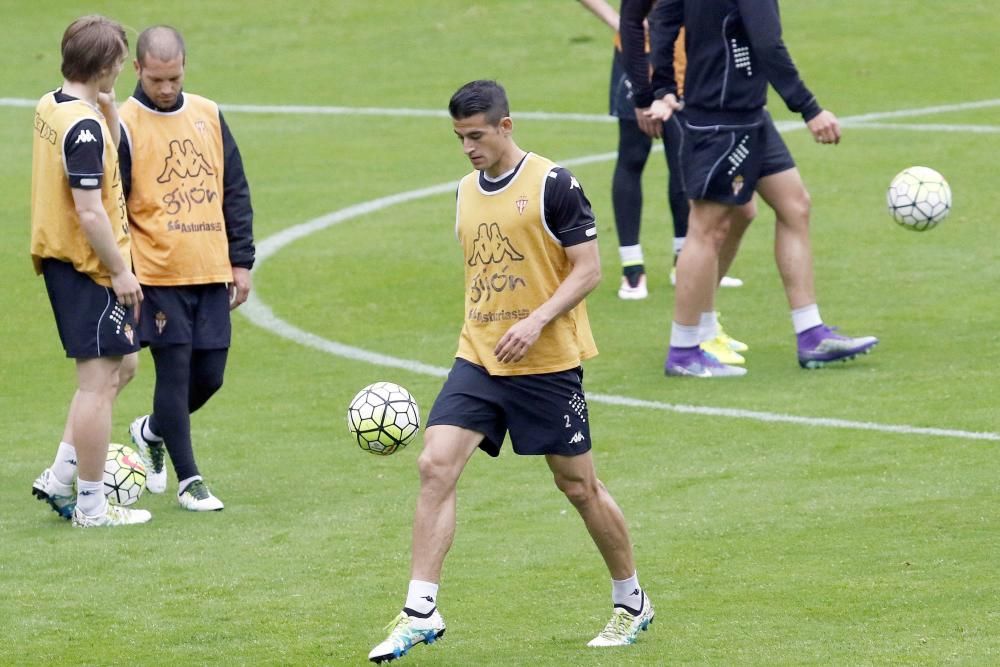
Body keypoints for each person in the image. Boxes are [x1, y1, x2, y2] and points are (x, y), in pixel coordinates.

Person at [367, 80, 654, 664]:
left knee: (578, 486)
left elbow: (589, 269)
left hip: (548, 364)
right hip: (480, 356)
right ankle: (421, 609)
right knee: (434, 465)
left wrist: (538, 319)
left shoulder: (554, 185)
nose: (468, 147)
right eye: (459, 138)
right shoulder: (464, 192)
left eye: (476, 135)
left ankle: (632, 600)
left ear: (505, 126)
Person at [640, 0, 878, 376]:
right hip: (722, 119)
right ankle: (684, 351)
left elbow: (662, 17)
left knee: (795, 205)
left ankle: (810, 333)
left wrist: (664, 86)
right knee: (706, 228)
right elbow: (767, 43)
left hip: (749, 113)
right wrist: (810, 109)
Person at [117, 26, 255, 511]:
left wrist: (242, 261)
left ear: (184, 68)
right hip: (156, 276)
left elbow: (234, 190)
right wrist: (123, 271)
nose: (166, 88)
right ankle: (189, 480)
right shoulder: (123, 123)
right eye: (156, 79)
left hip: (211, 268)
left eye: (173, 77)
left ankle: (151, 431)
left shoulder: (208, 114)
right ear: (137, 70)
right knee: (173, 375)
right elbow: (113, 205)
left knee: (210, 376)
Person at [29, 15, 152, 528]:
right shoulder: (81, 129)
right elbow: (90, 211)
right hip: (88, 267)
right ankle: (92, 507)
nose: (122, 70)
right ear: (104, 66)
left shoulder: (53, 104)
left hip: (70, 262)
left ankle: (59, 476)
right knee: (97, 385)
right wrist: (121, 271)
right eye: (119, 63)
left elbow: (114, 156)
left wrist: (109, 114)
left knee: (124, 367)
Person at [578, 0, 743, 303]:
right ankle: (632, 267)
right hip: (637, 54)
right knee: (633, 154)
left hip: (687, 58)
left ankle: (684, 261)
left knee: (683, 158)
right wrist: (618, 22)